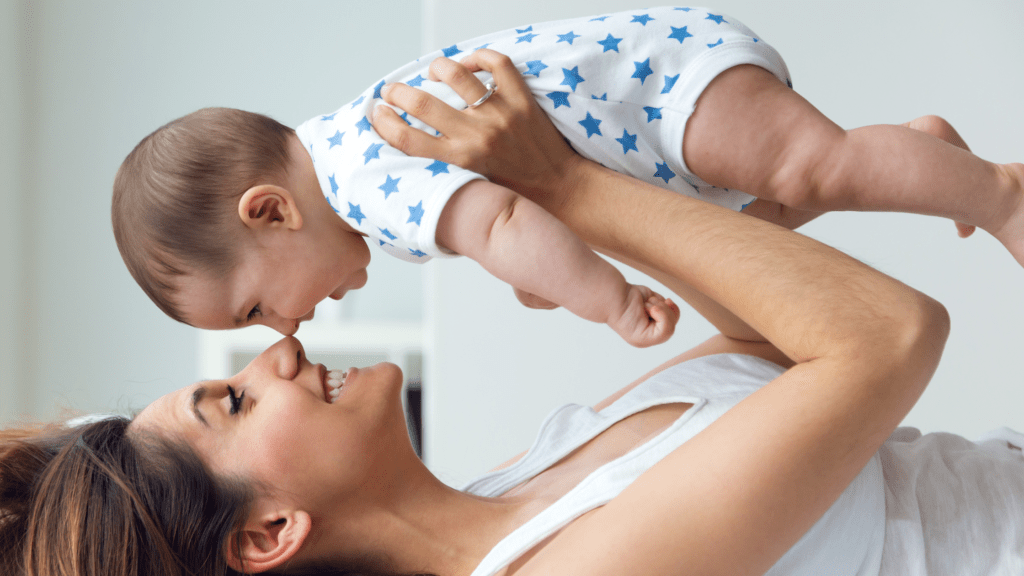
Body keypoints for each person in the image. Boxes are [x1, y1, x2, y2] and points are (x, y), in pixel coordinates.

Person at [11, 50, 1024, 576]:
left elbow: (771, 342)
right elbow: (885, 337)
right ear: (269, 531)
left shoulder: (521, 480)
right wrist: (565, 190)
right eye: (231, 404)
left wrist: (560, 185)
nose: (276, 352)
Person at [112, 7, 1024, 342]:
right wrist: (544, 268)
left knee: (808, 168)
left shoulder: (358, 179)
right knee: (765, 230)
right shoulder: (355, 162)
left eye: (256, 309)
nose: (285, 333)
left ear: (269, 212)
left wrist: (608, 302)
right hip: (648, 124)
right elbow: (515, 218)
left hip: (658, 91)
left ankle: (998, 193)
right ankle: (918, 155)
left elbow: (512, 228)